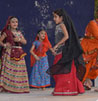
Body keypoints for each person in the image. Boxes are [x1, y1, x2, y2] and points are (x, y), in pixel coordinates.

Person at [47, 9, 85, 96]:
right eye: (54, 17)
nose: (54, 19)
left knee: (63, 70)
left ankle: (66, 89)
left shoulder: (62, 25)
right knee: (59, 70)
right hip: (60, 51)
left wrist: (56, 46)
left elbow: (66, 37)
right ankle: (69, 88)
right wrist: (55, 49)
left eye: (56, 17)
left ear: (61, 17)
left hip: (64, 52)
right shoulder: (58, 26)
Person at [0, 16, 30, 93]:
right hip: (10, 52)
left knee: (18, 71)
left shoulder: (19, 33)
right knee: (10, 71)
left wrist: (19, 39)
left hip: (19, 52)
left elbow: (25, 42)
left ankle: (19, 88)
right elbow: (0, 41)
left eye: (16, 22)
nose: (15, 23)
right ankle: (7, 87)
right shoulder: (6, 32)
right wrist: (4, 45)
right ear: (9, 23)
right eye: (13, 22)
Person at [81, 12, 98, 90]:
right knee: (86, 68)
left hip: (95, 50)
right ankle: (80, 84)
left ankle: (86, 82)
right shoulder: (93, 23)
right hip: (88, 49)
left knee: (94, 69)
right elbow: (97, 35)